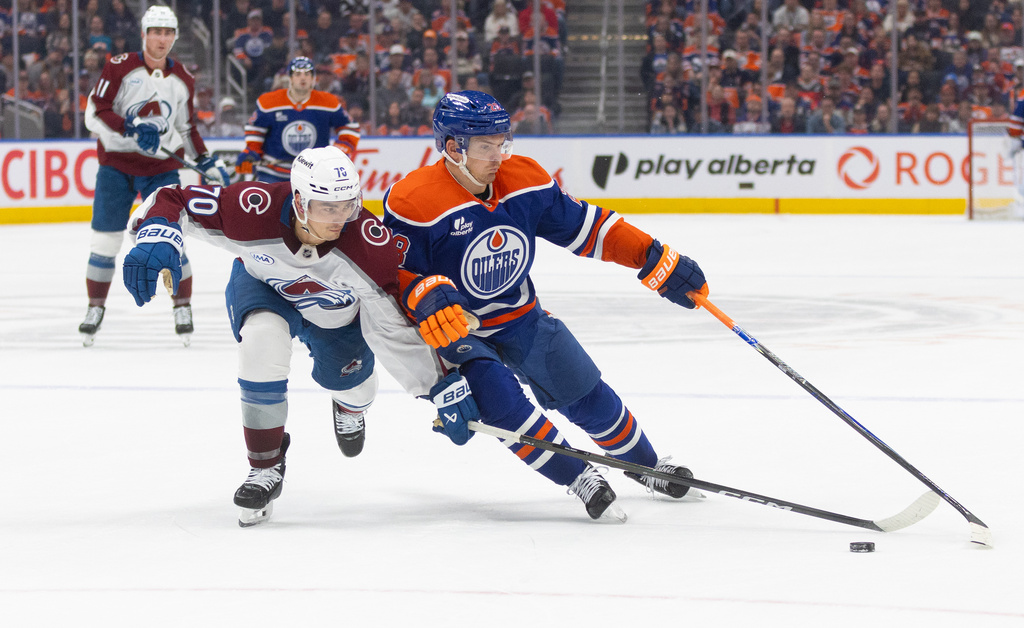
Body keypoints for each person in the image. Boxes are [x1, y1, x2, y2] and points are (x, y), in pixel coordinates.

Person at [383, 91, 707, 522]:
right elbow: (389, 279)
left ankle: (645, 466)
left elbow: (586, 227)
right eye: (486, 147)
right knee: (501, 400)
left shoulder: (525, 178)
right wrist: (422, 292)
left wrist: (651, 256)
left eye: (503, 142)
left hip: (520, 316)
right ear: (452, 147)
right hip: (460, 335)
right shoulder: (412, 201)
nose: (498, 155)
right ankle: (579, 477)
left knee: (585, 390)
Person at [122, 146, 478, 527]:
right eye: (328, 208)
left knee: (356, 388)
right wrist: (158, 235)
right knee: (261, 342)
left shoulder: (367, 242)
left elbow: (394, 325)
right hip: (263, 288)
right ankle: (265, 467)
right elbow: (172, 198)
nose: (341, 219)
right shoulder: (251, 208)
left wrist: (436, 386)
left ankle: (350, 407)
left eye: (348, 204)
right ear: (298, 201)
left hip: (335, 318)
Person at [79, 5, 230, 347]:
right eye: (155, 32)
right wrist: (131, 128)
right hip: (116, 166)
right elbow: (96, 111)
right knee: (104, 242)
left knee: (172, 238)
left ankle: (182, 306)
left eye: (168, 32)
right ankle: (95, 307)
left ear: (175, 36)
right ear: (144, 34)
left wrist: (204, 159)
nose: (162, 39)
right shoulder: (118, 67)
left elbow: (186, 127)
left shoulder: (183, 79)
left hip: (161, 170)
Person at [236, 56, 360, 183]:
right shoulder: (269, 102)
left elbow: (350, 127)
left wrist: (339, 151)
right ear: (290, 78)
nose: (303, 78)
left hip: (313, 173)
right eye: (298, 74)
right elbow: (255, 129)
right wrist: (252, 152)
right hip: (273, 172)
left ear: (312, 79)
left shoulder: (328, 102)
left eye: (307, 74)